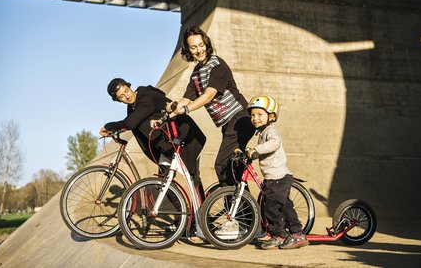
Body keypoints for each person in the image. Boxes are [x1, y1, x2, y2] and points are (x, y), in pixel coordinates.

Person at [166, 26, 255, 187]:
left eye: (201, 45)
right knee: (233, 169)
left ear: (206, 44)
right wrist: (167, 114)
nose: (199, 50)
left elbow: (208, 96)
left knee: (222, 165)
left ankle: (238, 210)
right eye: (193, 47)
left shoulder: (217, 65)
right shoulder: (196, 73)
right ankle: (243, 208)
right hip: (228, 124)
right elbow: (186, 98)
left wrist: (185, 110)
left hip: (240, 118)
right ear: (188, 50)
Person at [99, 78, 207, 200]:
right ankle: (183, 217)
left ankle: (204, 215)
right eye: (122, 96)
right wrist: (114, 131)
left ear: (129, 86)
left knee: (192, 176)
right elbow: (134, 122)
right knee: (163, 182)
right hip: (169, 144)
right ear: (118, 100)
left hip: (184, 136)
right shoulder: (133, 106)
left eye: (127, 90)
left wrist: (108, 126)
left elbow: (130, 123)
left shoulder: (146, 97)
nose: (127, 96)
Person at [246, 95, 309, 250]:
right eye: (253, 115)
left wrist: (257, 150)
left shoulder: (271, 130)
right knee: (284, 206)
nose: (255, 118)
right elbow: (263, 149)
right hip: (275, 177)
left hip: (278, 177)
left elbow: (274, 143)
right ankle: (296, 234)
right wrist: (248, 151)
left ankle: (280, 235)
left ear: (271, 116)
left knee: (271, 208)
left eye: (260, 115)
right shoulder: (261, 133)